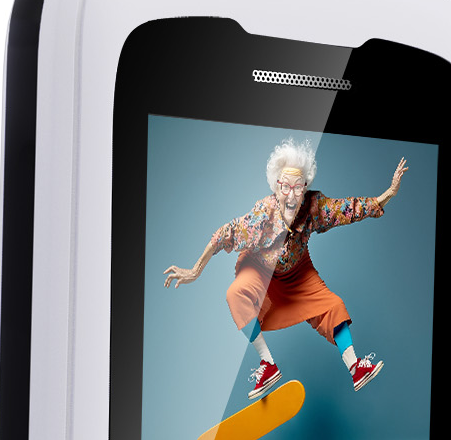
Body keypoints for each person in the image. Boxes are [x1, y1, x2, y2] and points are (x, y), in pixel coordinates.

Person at [163, 138, 407, 398]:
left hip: (297, 273)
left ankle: (356, 367)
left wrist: (388, 194)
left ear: (305, 188)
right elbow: (225, 234)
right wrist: (195, 270)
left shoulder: (313, 206)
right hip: (260, 268)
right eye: (285, 187)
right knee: (236, 294)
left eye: (298, 187)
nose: (291, 195)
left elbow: (348, 209)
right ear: (276, 186)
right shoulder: (262, 216)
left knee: (333, 305)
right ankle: (268, 365)